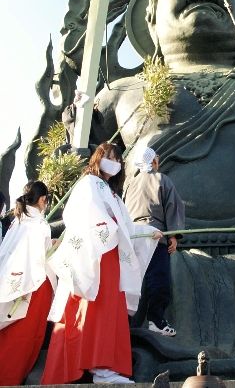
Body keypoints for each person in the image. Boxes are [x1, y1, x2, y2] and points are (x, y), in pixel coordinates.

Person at [41, 142, 161, 385]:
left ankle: (108, 367)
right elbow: (86, 215)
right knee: (101, 308)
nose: (114, 162)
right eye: (109, 156)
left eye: (117, 159)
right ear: (98, 157)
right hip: (97, 254)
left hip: (111, 254)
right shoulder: (88, 183)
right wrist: (113, 230)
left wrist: (148, 231)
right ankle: (101, 369)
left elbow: (125, 226)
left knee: (111, 309)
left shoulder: (111, 192)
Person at [124, 146, 185, 337]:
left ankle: (125, 322)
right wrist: (173, 235)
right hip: (154, 236)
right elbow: (173, 206)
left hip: (132, 237)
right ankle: (156, 320)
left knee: (131, 282)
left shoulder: (129, 184)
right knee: (158, 279)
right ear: (153, 161)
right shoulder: (161, 180)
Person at [0, 181, 56, 386]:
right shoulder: (38, 224)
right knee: (26, 338)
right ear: (42, 200)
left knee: (11, 335)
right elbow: (39, 257)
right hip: (34, 287)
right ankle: (10, 379)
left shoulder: (19, 220)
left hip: (17, 283)